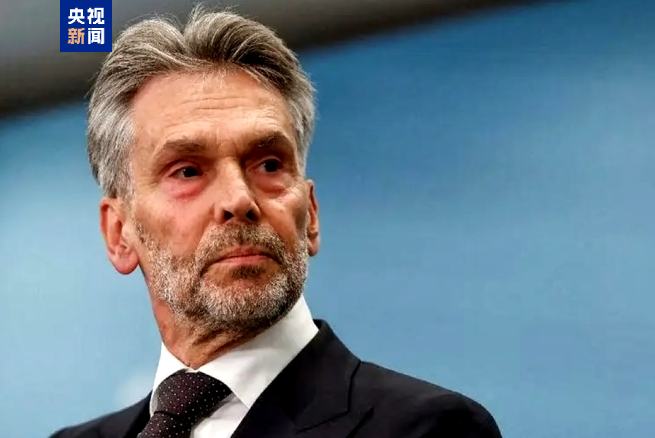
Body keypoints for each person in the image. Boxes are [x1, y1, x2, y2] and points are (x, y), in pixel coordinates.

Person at [49, 5, 502, 438]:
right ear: (119, 233)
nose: (239, 199)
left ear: (311, 214)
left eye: (268, 164)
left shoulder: (428, 429)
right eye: (187, 171)